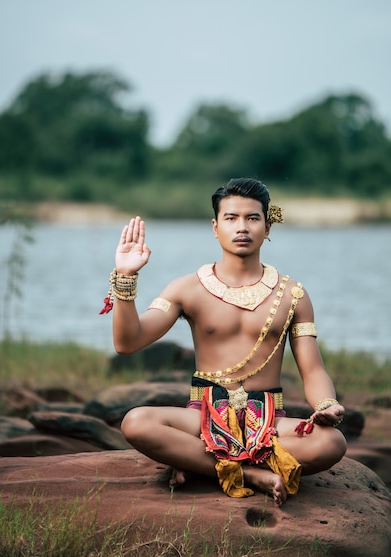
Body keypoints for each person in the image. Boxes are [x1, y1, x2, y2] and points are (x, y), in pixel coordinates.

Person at [102, 177, 346, 506]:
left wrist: (326, 405)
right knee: (136, 422)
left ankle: (201, 463)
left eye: (252, 218)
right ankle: (251, 473)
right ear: (215, 227)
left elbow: (313, 369)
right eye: (231, 218)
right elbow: (128, 342)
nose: (241, 227)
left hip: (268, 422)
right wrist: (126, 277)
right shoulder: (186, 288)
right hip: (202, 417)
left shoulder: (293, 294)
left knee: (332, 443)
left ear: (268, 226)